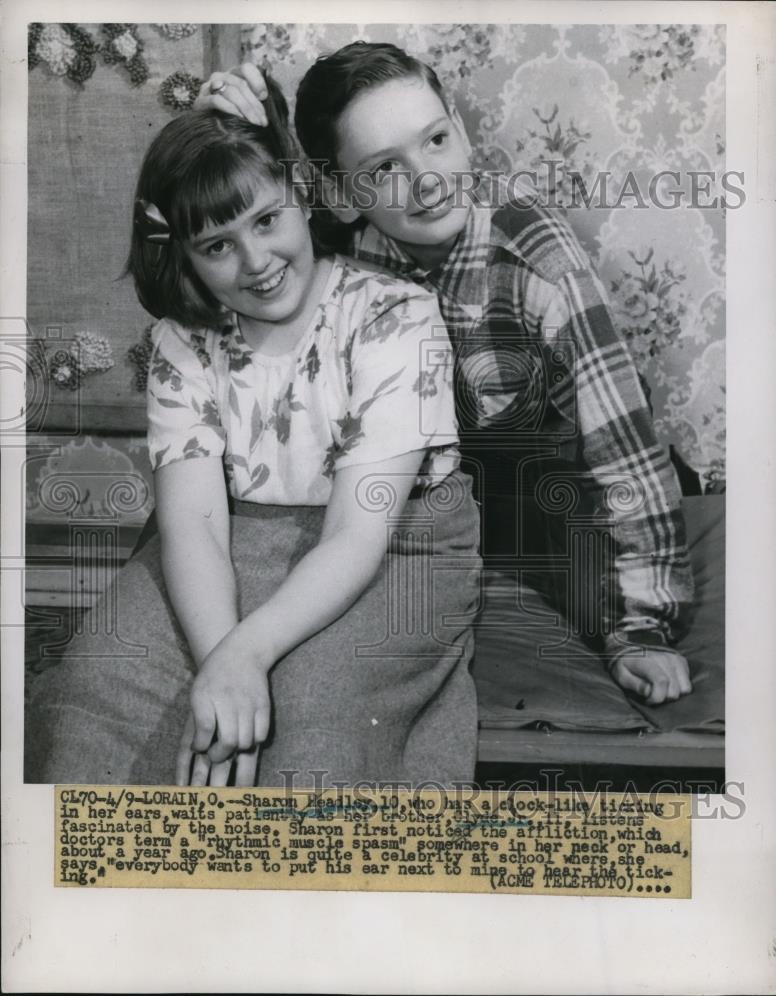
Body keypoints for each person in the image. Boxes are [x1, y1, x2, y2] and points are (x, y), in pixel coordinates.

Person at [197, 41, 695, 707]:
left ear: (460, 129)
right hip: (418, 482)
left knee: (591, 583)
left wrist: (644, 627)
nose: (428, 179)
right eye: (386, 167)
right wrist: (215, 140)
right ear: (343, 195)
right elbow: (228, 247)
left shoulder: (535, 257)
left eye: (435, 140)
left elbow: (619, 446)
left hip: (541, 474)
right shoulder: (328, 236)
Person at [26, 80, 482, 789]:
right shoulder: (182, 344)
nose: (255, 263)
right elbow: (196, 528)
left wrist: (250, 655)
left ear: (301, 197)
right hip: (234, 540)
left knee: (305, 726)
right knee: (90, 695)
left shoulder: (397, 316)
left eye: (268, 221)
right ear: (182, 254)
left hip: (395, 547)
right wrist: (225, 660)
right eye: (217, 245)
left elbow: (357, 537)